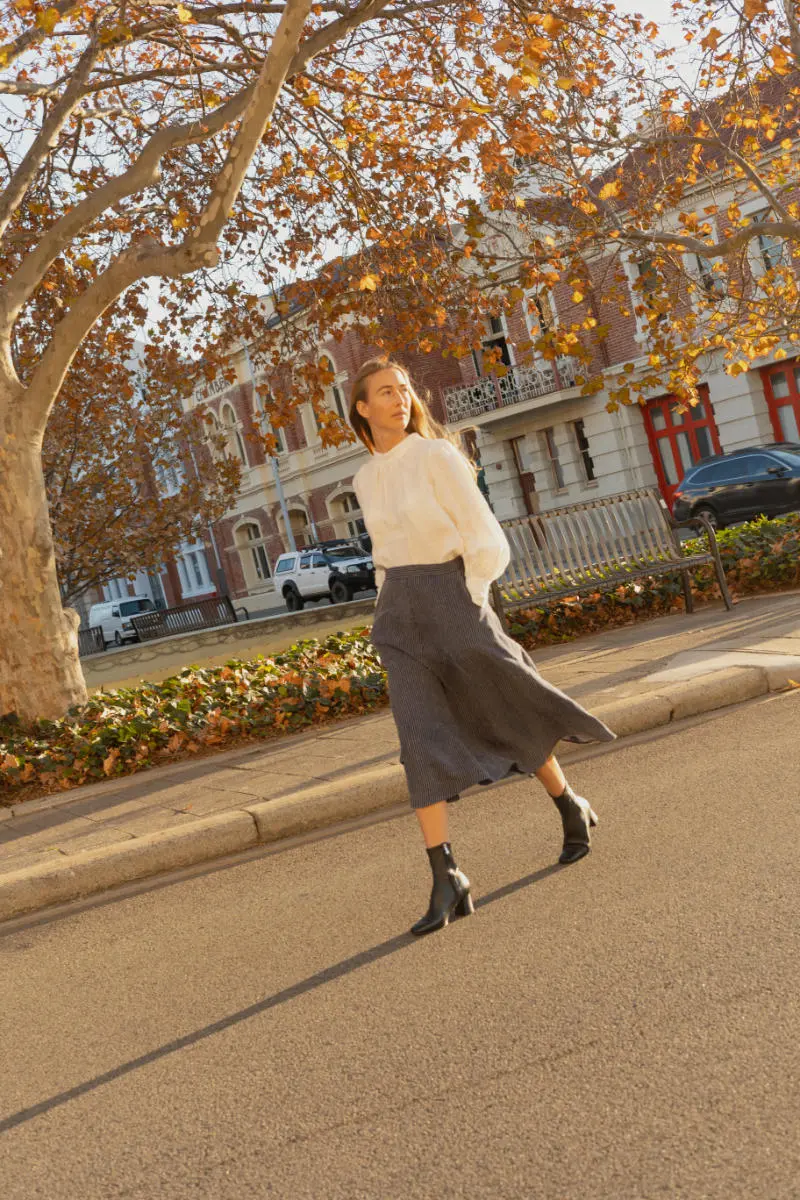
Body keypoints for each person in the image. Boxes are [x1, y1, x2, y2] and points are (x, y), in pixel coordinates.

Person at [350, 358, 615, 937]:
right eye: (385, 393)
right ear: (363, 409)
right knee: (417, 738)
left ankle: (569, 802)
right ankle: (447, 875)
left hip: (454, 596)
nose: (399, 399)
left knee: (503, 707)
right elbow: (382, 553)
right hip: (399, 615)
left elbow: (483, 533)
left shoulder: (436, 456)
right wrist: (384, 607)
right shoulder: (364, 479)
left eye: (404, 389)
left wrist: (469, 597)